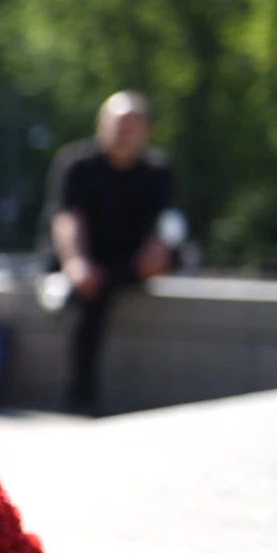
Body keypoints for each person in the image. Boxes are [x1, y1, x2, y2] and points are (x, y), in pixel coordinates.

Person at [43, 91, 172, 414]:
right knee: (93, 292)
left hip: (130, 260)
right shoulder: (77, 164)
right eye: (116, 124)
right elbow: (67, 218)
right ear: (99, 126)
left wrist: (158, 249)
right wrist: (76, 262)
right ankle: (81, 394)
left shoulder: (158, 170)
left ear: (146, 131)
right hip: (87, 259)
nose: (122, 133)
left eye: (131, 126)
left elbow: (168, 221)